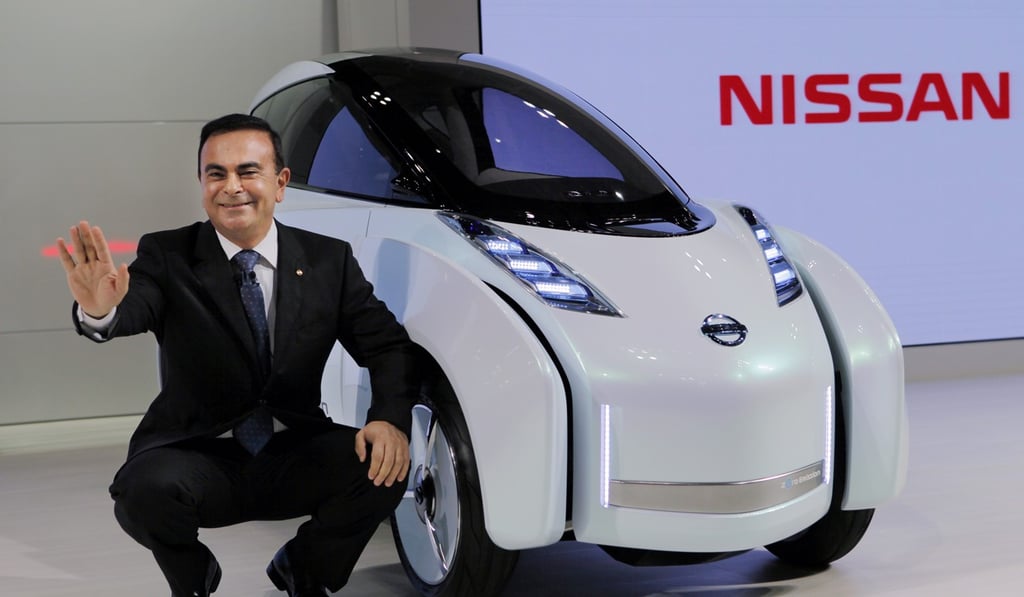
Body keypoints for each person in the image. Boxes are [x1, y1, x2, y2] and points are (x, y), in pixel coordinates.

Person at [56, 113, 419, 596]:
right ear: (202, 183)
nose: (232, 187)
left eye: (248, 171)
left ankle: (302, 569)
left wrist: (388, 418)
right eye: (216, 174)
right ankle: (193, 577)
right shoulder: (168, 255)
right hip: (199, 453)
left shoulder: (329, 260)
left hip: (294, 447)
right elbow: (132, 307)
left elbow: (387, 345)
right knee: (141, 493)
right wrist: (100, 311)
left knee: (385, 465)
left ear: (280, 182)